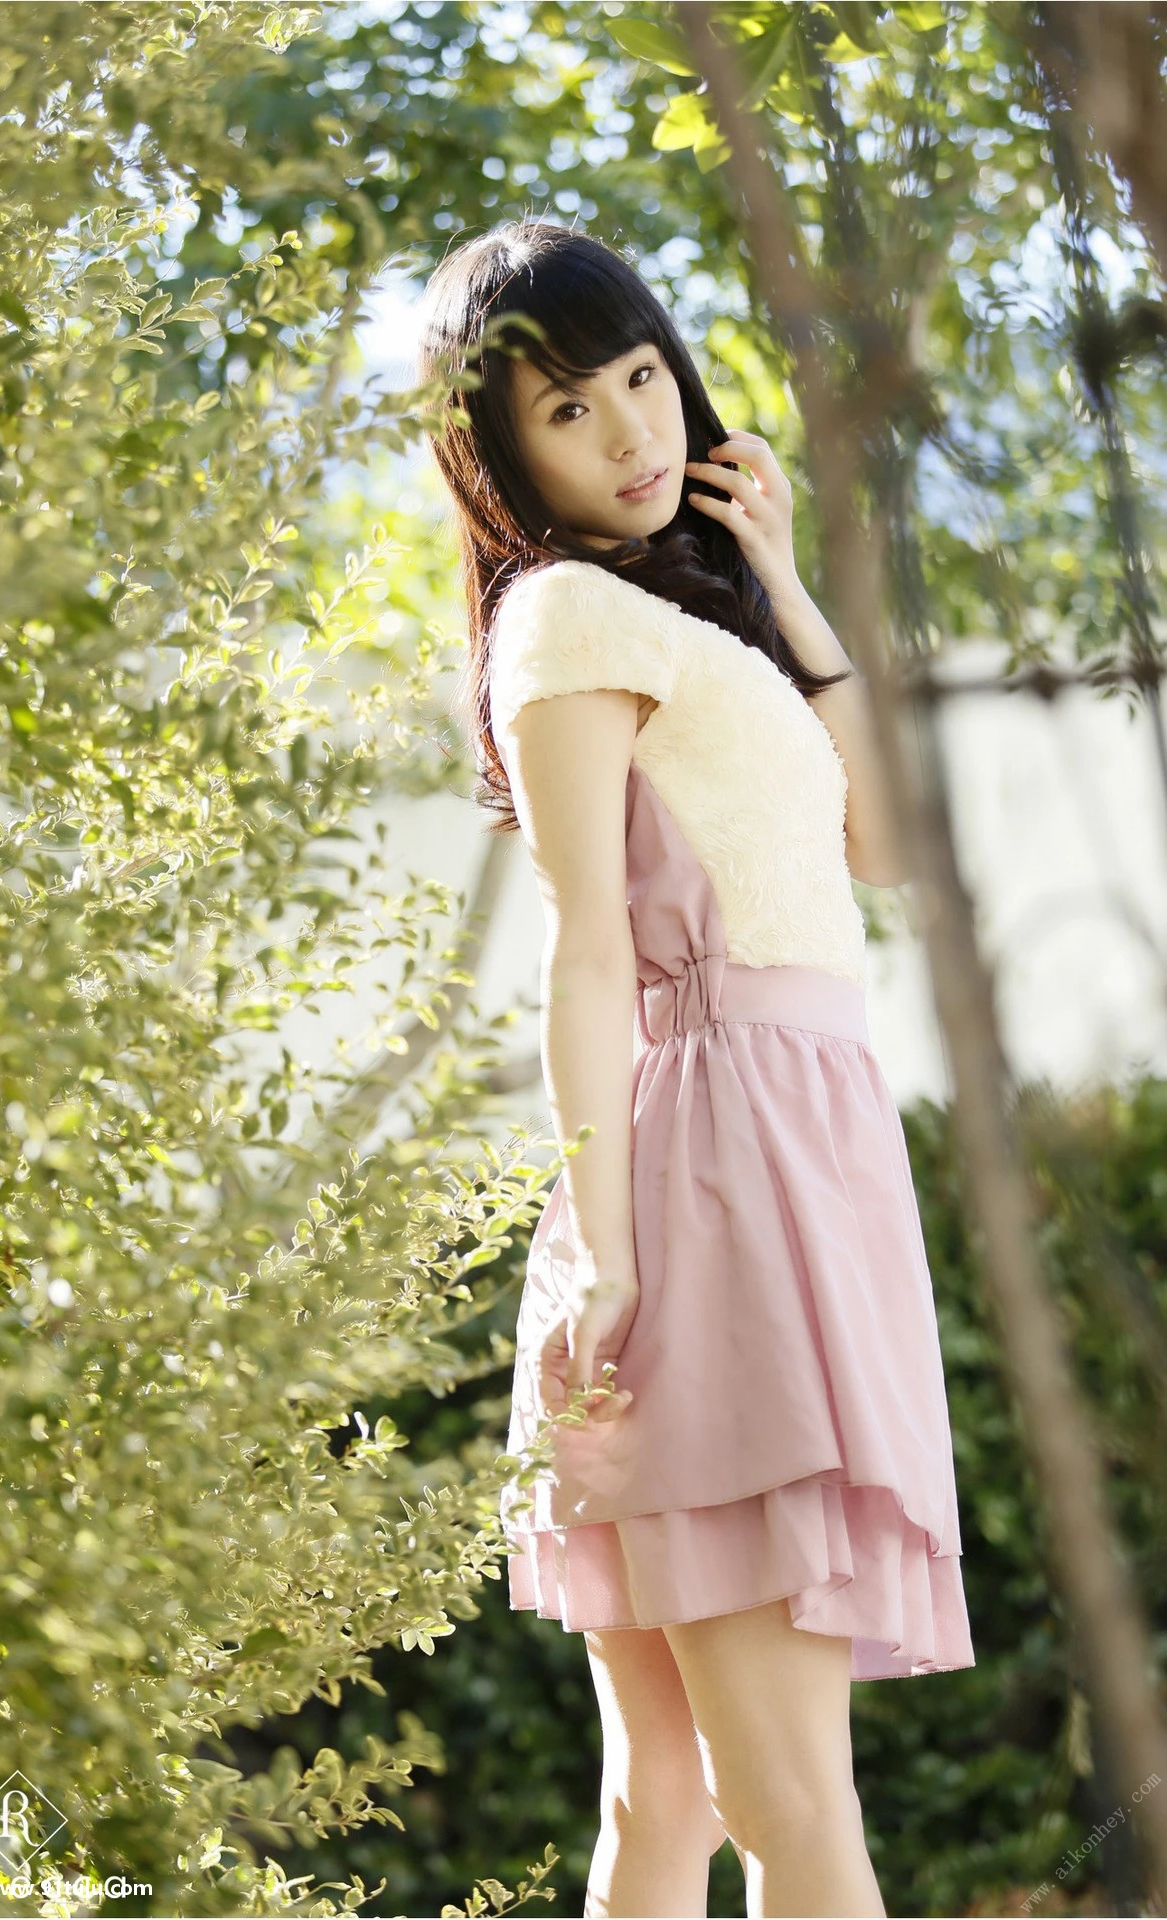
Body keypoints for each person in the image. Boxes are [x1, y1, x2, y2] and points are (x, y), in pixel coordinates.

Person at [414, 218, 975, 1920]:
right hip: (714, 1172)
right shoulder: (567, 614)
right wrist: (613, 1252)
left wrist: (786, 582)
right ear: (501, 457)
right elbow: (588, 952)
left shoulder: (692, 616)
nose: (630, 433)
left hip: (781, 1152)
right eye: (567, 411)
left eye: (642, 378)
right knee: (787, 1802)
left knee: (669, 1795)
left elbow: (889, 847)